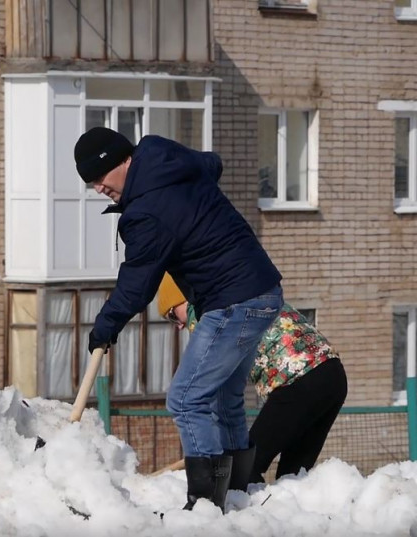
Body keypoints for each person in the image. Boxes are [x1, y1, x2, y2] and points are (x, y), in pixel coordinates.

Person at [74, 127, 283, 511]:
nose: (98, 188)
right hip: (261, 290)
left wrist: (105, 326)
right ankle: (237, 490)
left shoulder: (148, 210)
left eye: (100, 177)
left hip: (234, 298)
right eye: (91, 183)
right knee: (223, 396)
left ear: (124, 161)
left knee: (186, 399)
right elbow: (212, 164)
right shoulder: (169, 163)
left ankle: (204, 504)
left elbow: (138, 283)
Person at [158, 273, 347, 488]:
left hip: (297, 383)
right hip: (333, 375)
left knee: (246, 468)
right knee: (294, 475)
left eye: (173, 316)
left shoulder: (204, 313)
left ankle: (245, 513)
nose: (178, 326)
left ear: (185, 299)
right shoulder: (246, 296)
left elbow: (212, 382)